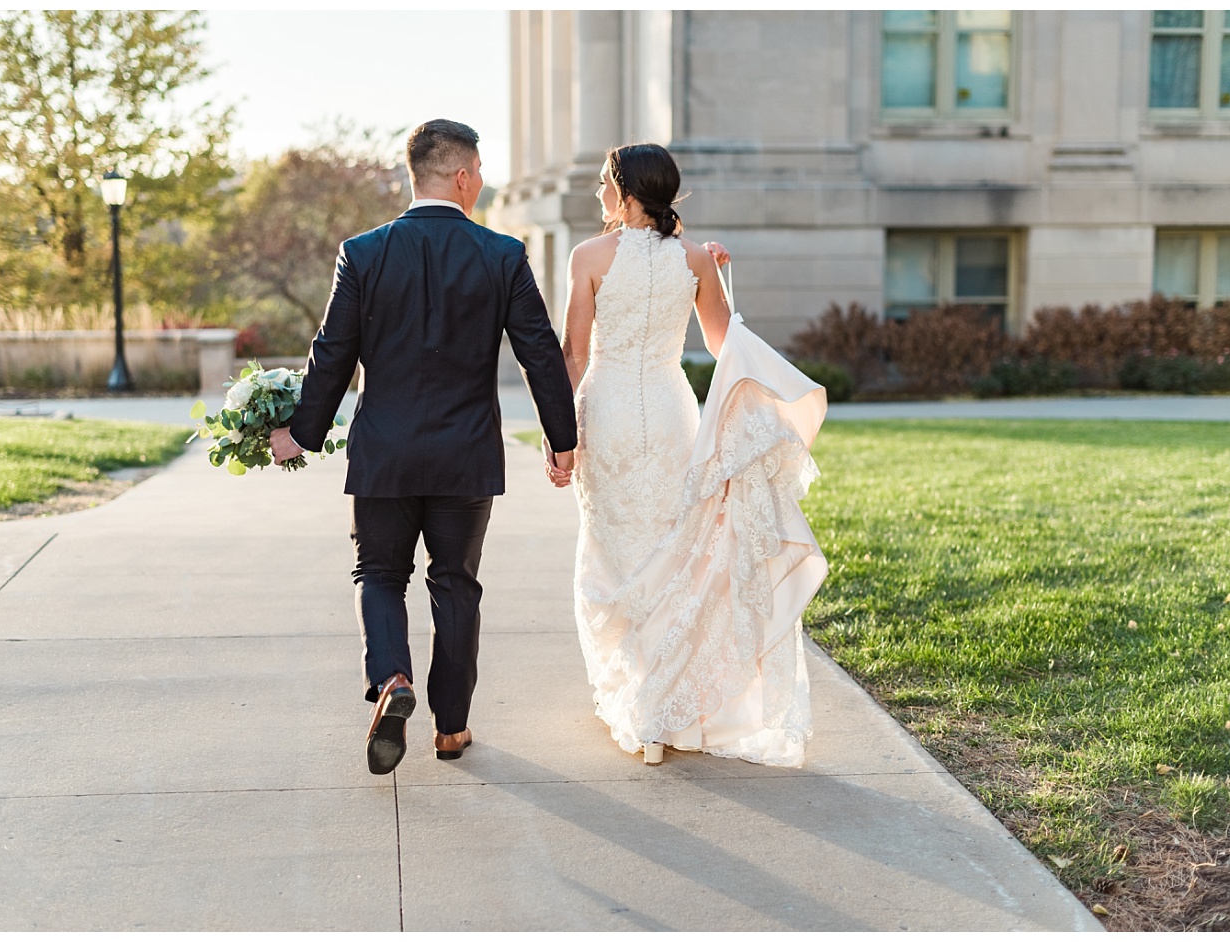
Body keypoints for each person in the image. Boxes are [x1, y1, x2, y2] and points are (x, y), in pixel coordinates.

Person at [270, 119, 578, 775]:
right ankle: (452, 729)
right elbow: (540, 355)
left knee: (379, 575)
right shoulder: (501, 254)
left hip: (384, 453)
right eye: (482, 172)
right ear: (463, 177)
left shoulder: (364, 252)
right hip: (465, 457)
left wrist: (302, 431)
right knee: (455, 585)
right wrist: (563, 439)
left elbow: (333, 353)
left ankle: (392, 682)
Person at [549, 142, 828, 767]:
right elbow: (723, 339)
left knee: (615, 549)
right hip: (673, 412)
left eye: (603, 185)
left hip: (612, 411)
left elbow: (572, 355)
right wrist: (714, 273)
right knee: (672, 551)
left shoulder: (589, 256)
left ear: (626, 195)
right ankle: (666, 704)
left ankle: (645, 710)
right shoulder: (695, 258)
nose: (597, 195)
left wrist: (557, 434)